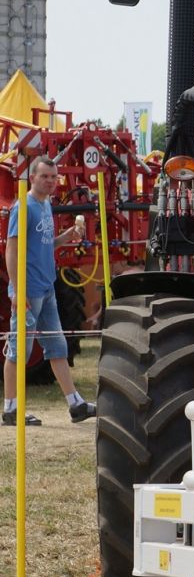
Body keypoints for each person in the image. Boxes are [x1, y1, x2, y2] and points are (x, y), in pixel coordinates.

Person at [3, 156, 96, 426]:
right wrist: (16, 291)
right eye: (45, 176)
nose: (51, 181)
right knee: (19, 350)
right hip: (28, 290)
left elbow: (43, 245)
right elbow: (12, 249)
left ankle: (75, 404)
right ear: (32, 177)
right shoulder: (24, 207)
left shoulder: (46, 207)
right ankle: (10, 409)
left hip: (47, 288)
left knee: (57, 347)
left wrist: (65, 238)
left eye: (54, 177)